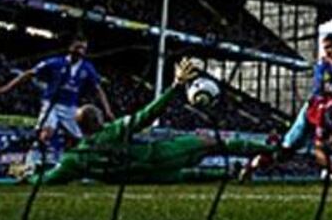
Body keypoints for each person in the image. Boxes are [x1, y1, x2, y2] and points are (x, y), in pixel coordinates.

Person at [29, 58, 274, 185]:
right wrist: (176, 86)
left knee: (191, 176)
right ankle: (273, 149)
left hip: (149, 178)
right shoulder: (113, 131)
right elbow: (149, 114)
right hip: (161, 155)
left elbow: (50, 179)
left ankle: (232, 175)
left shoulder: (75, 159)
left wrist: (28, 176)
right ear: (99, 119)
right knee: (211, 142)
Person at [0, 37, 115, 164]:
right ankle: (31, 164)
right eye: (78, 47)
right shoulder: (55, 63)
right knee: (46, 133)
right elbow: (29, 73)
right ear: (70, 48)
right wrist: (4, 89)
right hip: (51, 104)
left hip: (70, 107)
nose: (81, 51)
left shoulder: (87, 68)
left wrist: (108, 110)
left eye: (83, 48)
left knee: (80, 139)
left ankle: (75, 165)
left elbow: (99, 89)